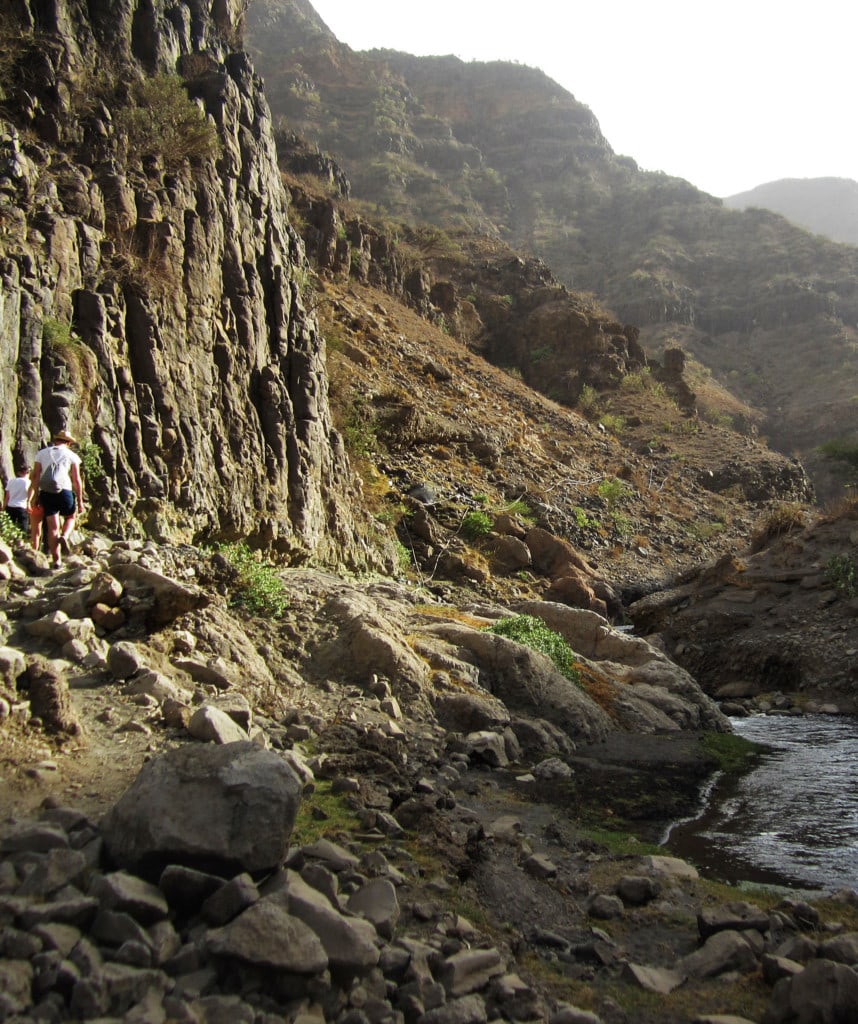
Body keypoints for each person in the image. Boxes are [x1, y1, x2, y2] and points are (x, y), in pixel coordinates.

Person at [29, 430, 85, 569]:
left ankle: (56, 561)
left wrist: (35, 497)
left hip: (46, 493)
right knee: (71, 517)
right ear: (69, 442)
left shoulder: (42, 453)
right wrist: (80, 501)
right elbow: (76, 480)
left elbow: (35, 477)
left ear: (56, 440)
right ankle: (65, 536)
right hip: (64, 491)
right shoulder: (72, 455)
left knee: (53, 529)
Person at [3, 462, 30, 534]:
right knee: (23, 529)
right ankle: (21, 543)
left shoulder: (11, 481)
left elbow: (7, 497)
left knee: (9, 528)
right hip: (22, 508)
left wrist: (3, 508)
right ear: (27, 472)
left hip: (10, 507)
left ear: (19, 472)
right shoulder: (28, 482)